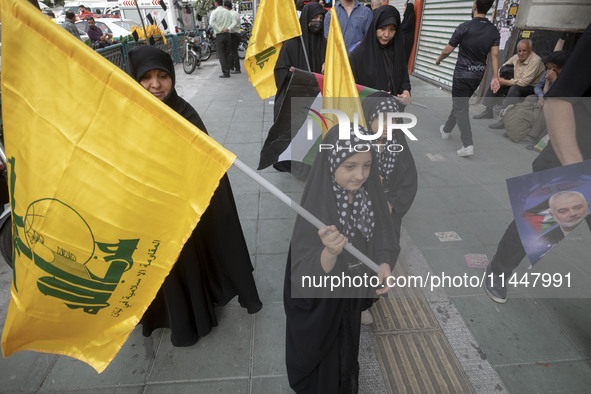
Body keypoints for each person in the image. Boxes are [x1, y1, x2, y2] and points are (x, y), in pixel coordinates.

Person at [126, 45, 262, 345]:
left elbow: (206, 166)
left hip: (180, 210)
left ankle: (194, 314)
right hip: (146, 210)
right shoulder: (125, 114)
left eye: (162, 75)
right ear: (134, 79)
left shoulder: (184, 113)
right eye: (146, 77)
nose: (155, 84)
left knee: (183, 260)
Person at [284, 124, 397, 393]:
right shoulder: (316, 206)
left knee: (347, 348)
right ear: (332, 162)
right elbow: (302, 274)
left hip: (350, 296)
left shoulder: (370, 194)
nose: (360, 175)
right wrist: (329, 253)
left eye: (367, 165)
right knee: (326, 359)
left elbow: (383, 231)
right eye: (350, 166)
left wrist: (383, 262)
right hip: (323, 303)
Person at [484, 23, 591, 304]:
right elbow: (558, 101)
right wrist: (575, 173)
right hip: (575, 155)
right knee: (537, 224)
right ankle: (499, 269)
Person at [435, 0, 499, 157]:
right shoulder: (493, 31)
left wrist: (439, 59)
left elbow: (448, 50)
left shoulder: (464, 27)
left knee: (461, 106)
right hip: (477, 75)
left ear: (475, 6)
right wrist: (495, 77)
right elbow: (495, 55)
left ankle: (467, 144)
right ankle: (446, 129)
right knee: (460, 103)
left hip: (462, 75)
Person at [473, 39, 545, 129]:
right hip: (516, 82)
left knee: (514, 89)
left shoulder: (536, 61)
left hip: (530, 87)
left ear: (530, 50)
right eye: (519, 50)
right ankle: (488, 111)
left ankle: (504, 119)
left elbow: (525, 82)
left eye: (524, 50)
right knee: (496, 82)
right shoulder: (516, 57)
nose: (521, 53)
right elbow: (502, 67)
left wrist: (504, 82)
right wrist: (497, 78)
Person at [349, 5, 412, 108]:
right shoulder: (358, 55)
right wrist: (372, 96)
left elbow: (404, 77)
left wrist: (406, 92)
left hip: (393, 111)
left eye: (392, 29)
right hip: (368, 112)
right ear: (375, 27)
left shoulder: (397, 50)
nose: (386, 34)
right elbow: (350, 88)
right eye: (382, 28)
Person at [274, 2, 327, 121]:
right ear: (306, 18)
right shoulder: (292, 43)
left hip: (319, 100)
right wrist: (301, 76)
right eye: (314, 18)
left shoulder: (325, 43)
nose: (317, 21)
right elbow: (280, 69)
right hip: (296, 99)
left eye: (320, 18)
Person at [524, 50, 569, 148]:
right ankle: (519, 127)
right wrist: (540, 97)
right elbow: (538, 86)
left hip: (560, 103)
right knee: (529, 99)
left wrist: (554, 80)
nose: (546, 64)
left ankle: (535, 137)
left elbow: (562, 95)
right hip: (544, 97)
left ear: (555, 66)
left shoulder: (566, 76)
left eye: (548, 63)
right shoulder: (549, 71)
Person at [209, 0, 237, 78]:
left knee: (221, 54)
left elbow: (211, 23)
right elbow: (234, 22)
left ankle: (226, 72)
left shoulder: (214, 12)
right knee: (227, 53)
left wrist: (219, 29)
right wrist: (228, 28)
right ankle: (228, 70)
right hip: (228, 34)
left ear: (216, 3)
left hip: (219, 35)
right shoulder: (228, 12)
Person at [224, 1, 241, 74]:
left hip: (233, 34)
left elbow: (230, 24)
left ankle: (237, 68)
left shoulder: (229, 14)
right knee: (233, 51)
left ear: (226, 7)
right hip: (238, 33)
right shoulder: (236, 13)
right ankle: (231, 66)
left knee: (233, 52)